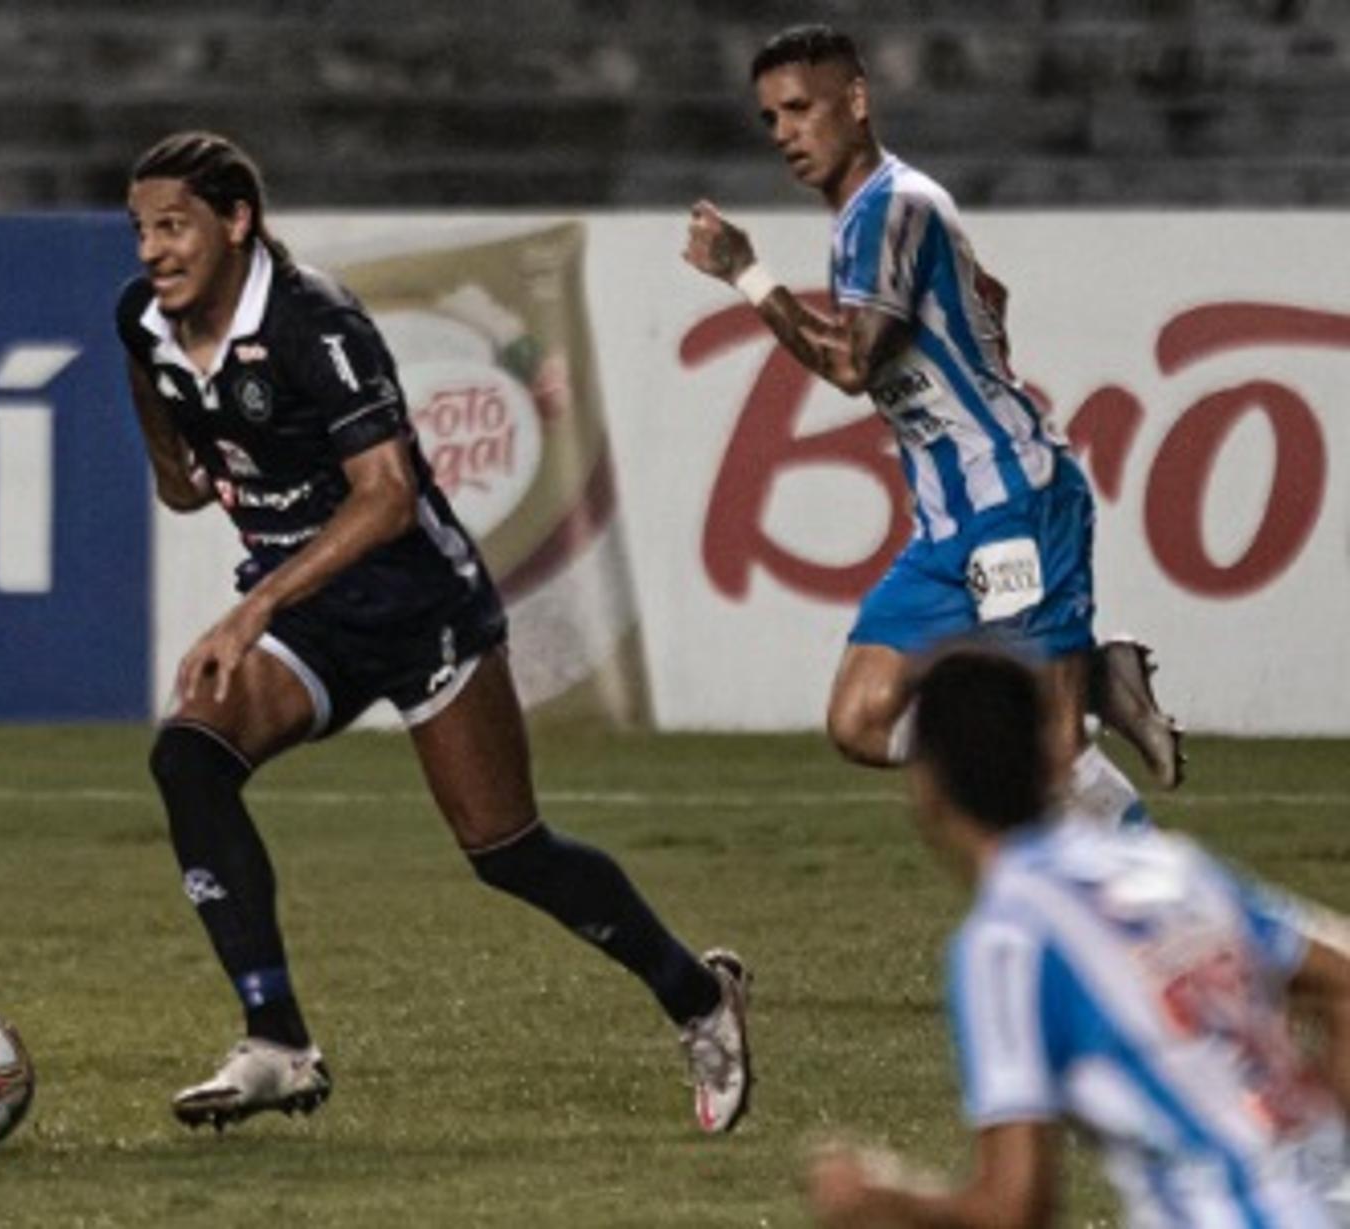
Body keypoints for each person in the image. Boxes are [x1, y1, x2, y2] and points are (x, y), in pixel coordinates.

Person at [116, 130, 751, 1135]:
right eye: (142, 227)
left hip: (416, 606)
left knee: (507, 848)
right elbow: (184, 488)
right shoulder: (145, 322)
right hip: (310, 616)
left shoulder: (314, 321)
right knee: (188, 757)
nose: (153, 247)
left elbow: (388, 497)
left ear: (237, 223)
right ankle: (277, 1038)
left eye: (175, 224)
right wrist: (156, 387)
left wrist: (254, 605)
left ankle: (697, 995)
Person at [681, 24, 1183, 828]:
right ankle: (1091, 678)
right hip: (949, 525)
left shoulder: (894, 207)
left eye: (801, 109)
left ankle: (1171, 926)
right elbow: (991, 298)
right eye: (771, 118)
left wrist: (745, 271)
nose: (785, 134)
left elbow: (852, 367)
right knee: (859, 720)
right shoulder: (870, 217)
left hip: (1016, 505)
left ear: (857, 99)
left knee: (1051, 767)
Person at [805, 646, 1350, 1228]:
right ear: (1049, 762)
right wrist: (1320, 1144)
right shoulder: (1171, 868)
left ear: (929, 788)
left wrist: (883, 1196)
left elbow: (1016, 1209)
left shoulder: (1008, 942)